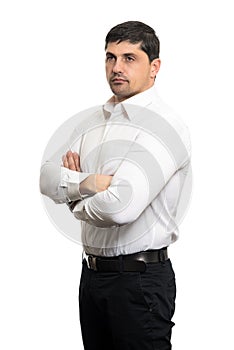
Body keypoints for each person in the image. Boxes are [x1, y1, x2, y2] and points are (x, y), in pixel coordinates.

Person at [40, 20, 191, 350]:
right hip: (92, 276)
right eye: (110, 57)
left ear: (155, 67)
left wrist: (73, 195)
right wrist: (94, 182)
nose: (116, 67)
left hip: (139, 282)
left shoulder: (164, 126)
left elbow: (121, 207)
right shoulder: (93, 121)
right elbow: (47, 177)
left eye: (129, 58)